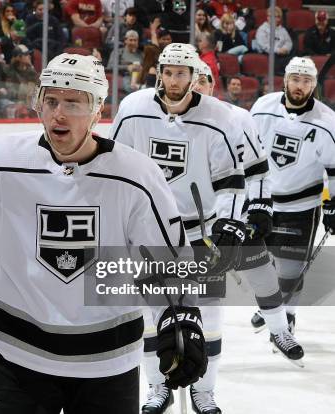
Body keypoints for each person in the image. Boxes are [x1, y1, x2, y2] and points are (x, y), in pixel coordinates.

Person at [0, 52, 208, 413]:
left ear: (97, 111)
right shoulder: (4, 159)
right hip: (18, 355)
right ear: (38, 105)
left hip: (108, 361)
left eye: (73, 102)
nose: (59, 113)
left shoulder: (136, 175)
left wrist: (180, 317)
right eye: (51, 100)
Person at [110, 43, 247, 414]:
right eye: (168, 72)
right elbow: (113, 166)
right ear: (159, 73)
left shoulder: (219, 116)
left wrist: (230, 226)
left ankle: (204, 391)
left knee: (209, 319)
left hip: (199, 233)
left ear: (194, 76)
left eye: (181, 73)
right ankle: (158, 388)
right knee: (149, 316)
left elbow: (232, 182)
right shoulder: (133, 109)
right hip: (146, 231)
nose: (174, 80)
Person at [194, 61, 304, 366]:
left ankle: (280, 331)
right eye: (193, 81)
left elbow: (258, 169)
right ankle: (197, 347)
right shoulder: (176, 122)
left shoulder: (237, 118)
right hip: (195, 223)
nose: (196, 86)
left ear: (212, 85)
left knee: (263, 276)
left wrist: (259, 208)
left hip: (234, 216)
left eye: (203, 81)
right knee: (204, 294)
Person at [249, 57, 335, 338]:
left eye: (307, 81)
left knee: (292, 269)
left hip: (303, 206)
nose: (300, 86)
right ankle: (270, 305)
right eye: (296, 80)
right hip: (264, 202)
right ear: (285, 80)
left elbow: (334, 168)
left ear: (314, 84)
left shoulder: (327, 121)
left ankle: (287, 319)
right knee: (265, 263)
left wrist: (333, 203)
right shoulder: (263, 107)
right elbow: (247, 152)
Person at [254, 6, 292, 75]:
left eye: (276, 17)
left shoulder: (282, 30)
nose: (272, 18)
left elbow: (289, 42)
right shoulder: (262, 29)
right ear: (267, 17)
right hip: (268, 54)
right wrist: (278, 50)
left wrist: (285, 49)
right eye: (270, 16)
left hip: (282, 54)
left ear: (279, 19)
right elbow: (264, 45)